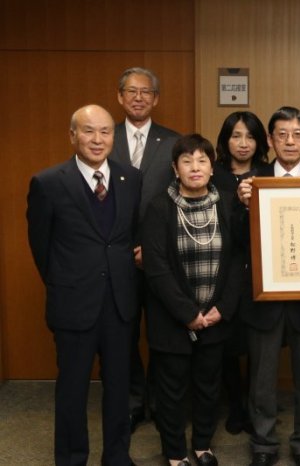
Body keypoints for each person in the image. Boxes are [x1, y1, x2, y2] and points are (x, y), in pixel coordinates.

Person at [27, 104, 142, 466]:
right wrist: (68, 283)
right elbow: (41, 248)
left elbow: (130, 236)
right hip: (74, 304)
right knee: (73, 390)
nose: (97, 139)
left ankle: (117, 456)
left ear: (113, 137)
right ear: (72, 135)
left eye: (105, 131)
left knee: (119, 388)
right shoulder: (48, 183)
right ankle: (72, 459)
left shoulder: (130, 178)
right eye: (88, 131)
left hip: (120, 303)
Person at [141, 134, 244, 466]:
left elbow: (238, 260)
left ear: (212, 167)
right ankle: (174, 453)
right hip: (172, 319)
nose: (195, 167)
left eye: (202, 160)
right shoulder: (159, 208)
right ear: (175, 168)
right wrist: (187, 313)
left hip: (214, 316)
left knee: (208, 386)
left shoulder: (227, 204)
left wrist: (222, 309)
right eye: (187, 161)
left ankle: (202, 445)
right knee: (171, 391)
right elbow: (156, 267)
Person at [237, 107, 300, 466]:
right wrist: (242, 206)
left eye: (297, 134)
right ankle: (263, 444)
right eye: (282, 134)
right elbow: (234, 241)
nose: (290, 141)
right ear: (270, 140)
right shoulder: (250, 181)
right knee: (261, 379)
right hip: (264, 298)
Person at [109, 66, 181, 433]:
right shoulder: (104, 137)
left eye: (146, 92)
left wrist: (153, 248)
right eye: (131, 91)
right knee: (123, 332)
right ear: (120, 97)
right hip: (115, 255)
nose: (138, 98)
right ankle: (134, 399)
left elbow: (180, 199)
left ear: (156, 99)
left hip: (160, 255)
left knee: (162, 332)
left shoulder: (173, 142)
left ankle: (159, 399)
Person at [211, 111, 269, 435]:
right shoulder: (212, 174)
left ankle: (254, 403)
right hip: (222, 271)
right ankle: (235, 405)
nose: (243, 143)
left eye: (250, 136)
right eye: (236, 136)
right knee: (227, 343)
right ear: (225, 140)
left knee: (258, 343)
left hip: (259, 270)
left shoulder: (268, 174)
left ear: (259, 141)